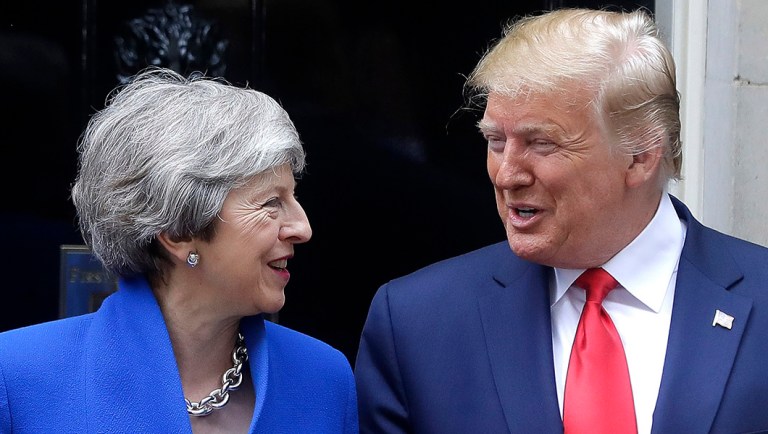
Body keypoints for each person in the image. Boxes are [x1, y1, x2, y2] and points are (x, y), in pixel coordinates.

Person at [354, 7, 768, 434]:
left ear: (641, 155)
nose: (508, 174)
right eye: (496, 141)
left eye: (542, 143)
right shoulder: (418, 323)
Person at [0, 67, 358, 433]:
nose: (303, 228)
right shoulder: (19, 377)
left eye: (293, 197)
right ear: (178, 231)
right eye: (270, 203)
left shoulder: (324, 380)